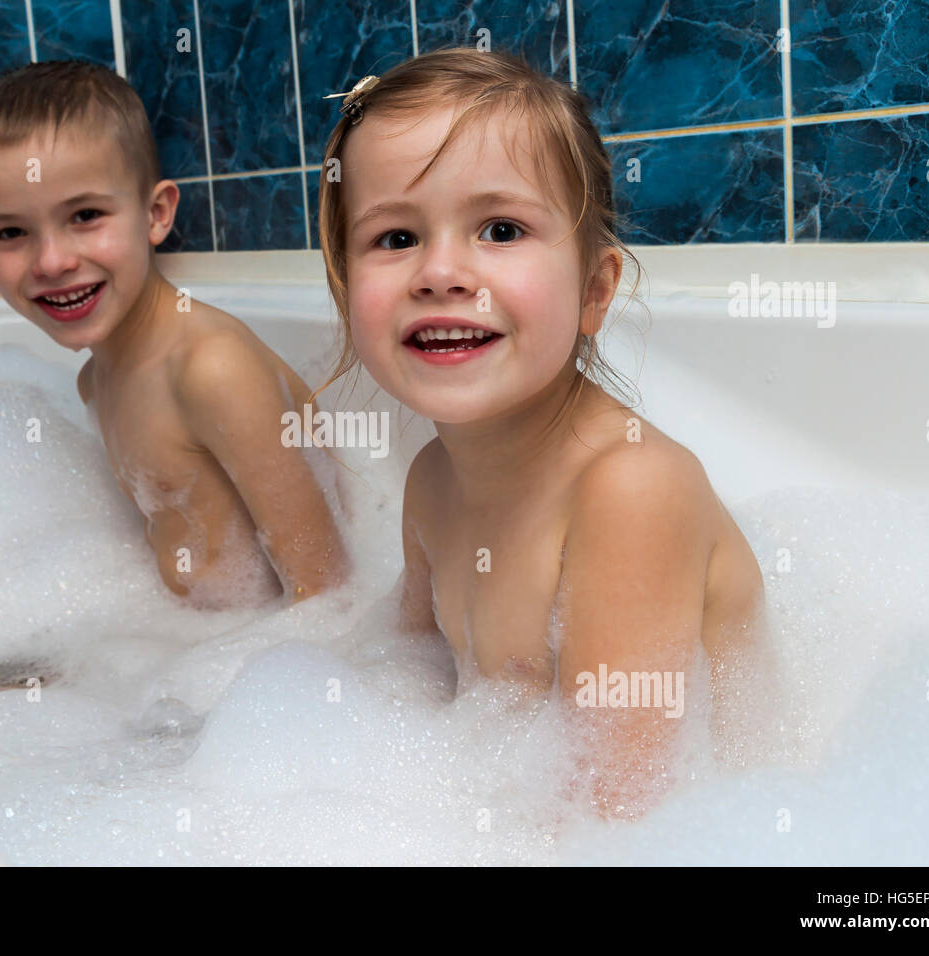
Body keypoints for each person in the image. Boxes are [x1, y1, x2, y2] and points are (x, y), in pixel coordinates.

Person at [317, 48, 775, 817]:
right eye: (395, 238)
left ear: (595, 293)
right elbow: (408, 673)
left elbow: (620, 818)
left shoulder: (630, 490)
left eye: (499, 228)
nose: (440, 272)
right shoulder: (432, 480)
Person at [0, 60, 348, 608]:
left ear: (156, 213)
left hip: (261, 655)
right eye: (11, 232)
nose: (52, 260)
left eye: (85, 215)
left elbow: (327, 590)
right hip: (185, 645)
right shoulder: (96, 379)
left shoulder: (212, 369)